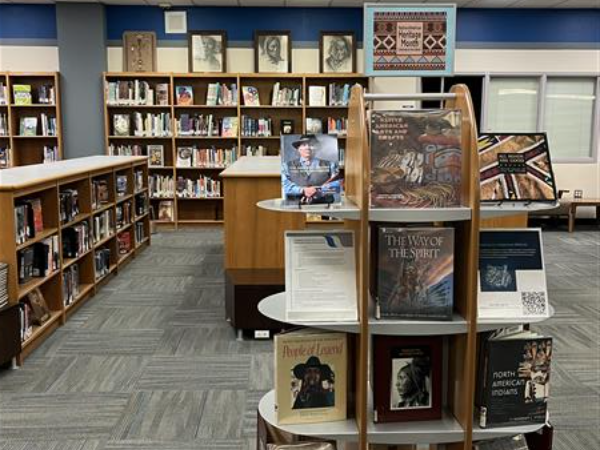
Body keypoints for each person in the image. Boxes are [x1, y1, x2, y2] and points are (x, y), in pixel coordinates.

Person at [282, 135, 341, 204]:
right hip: (296, 208)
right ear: (298, 149)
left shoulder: (331, 165)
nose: (308, 148)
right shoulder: (286, 166)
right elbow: (284, 186)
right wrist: (302, 190)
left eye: (311, 145)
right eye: (304, 145)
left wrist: (320, 191)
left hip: (324, 207)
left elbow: (338, 186)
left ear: (317, 148)